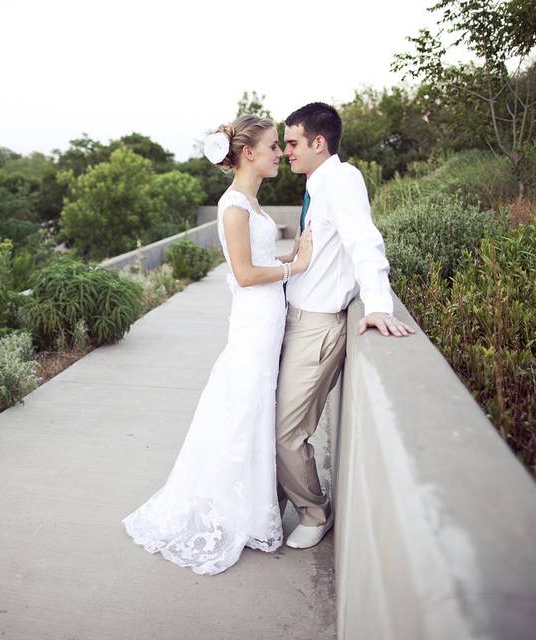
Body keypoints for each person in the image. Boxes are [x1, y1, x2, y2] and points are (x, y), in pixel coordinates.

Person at [123, 115, 313, 575]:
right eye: (271, 146)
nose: (278, 154)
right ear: (248, 153)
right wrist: (298, 267)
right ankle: (230, 514)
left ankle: (248, 510)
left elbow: (260, 260)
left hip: (267, 318)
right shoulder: (234, 206)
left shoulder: (250, 201)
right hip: (253, 321)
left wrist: (294, 254)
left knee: (253, 412)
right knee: (243, 412)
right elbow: (246, 275)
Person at [276, 102, 415, 551]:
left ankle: (315, 511)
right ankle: (272, 505)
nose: (286, 151)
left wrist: (377, 303)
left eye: (293, 142)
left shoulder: (340, 179)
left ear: (319, 142)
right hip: (295, 320)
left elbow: (364, 241)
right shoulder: (318, 185)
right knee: (272, 423)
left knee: (288, 432)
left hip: (318, 327)